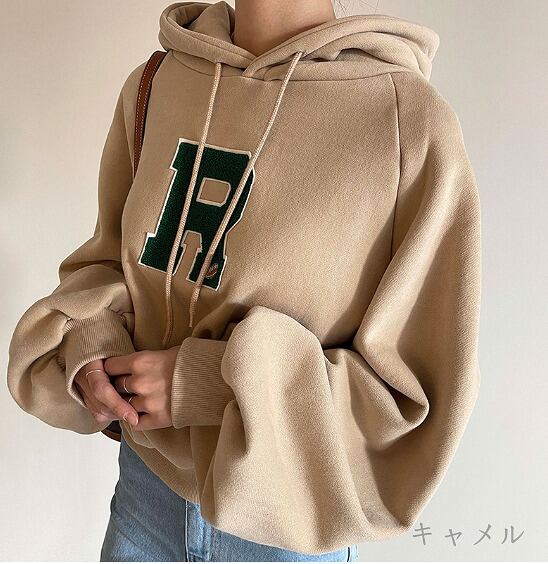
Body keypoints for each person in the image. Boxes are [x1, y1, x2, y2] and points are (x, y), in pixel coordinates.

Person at [6, 0, 482, 561]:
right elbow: (111, 264)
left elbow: (416, 397)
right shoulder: (157, 84)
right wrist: (94, 344)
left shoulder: (407, 123)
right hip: (143, 497)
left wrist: (211, 381)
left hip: (286, 524)